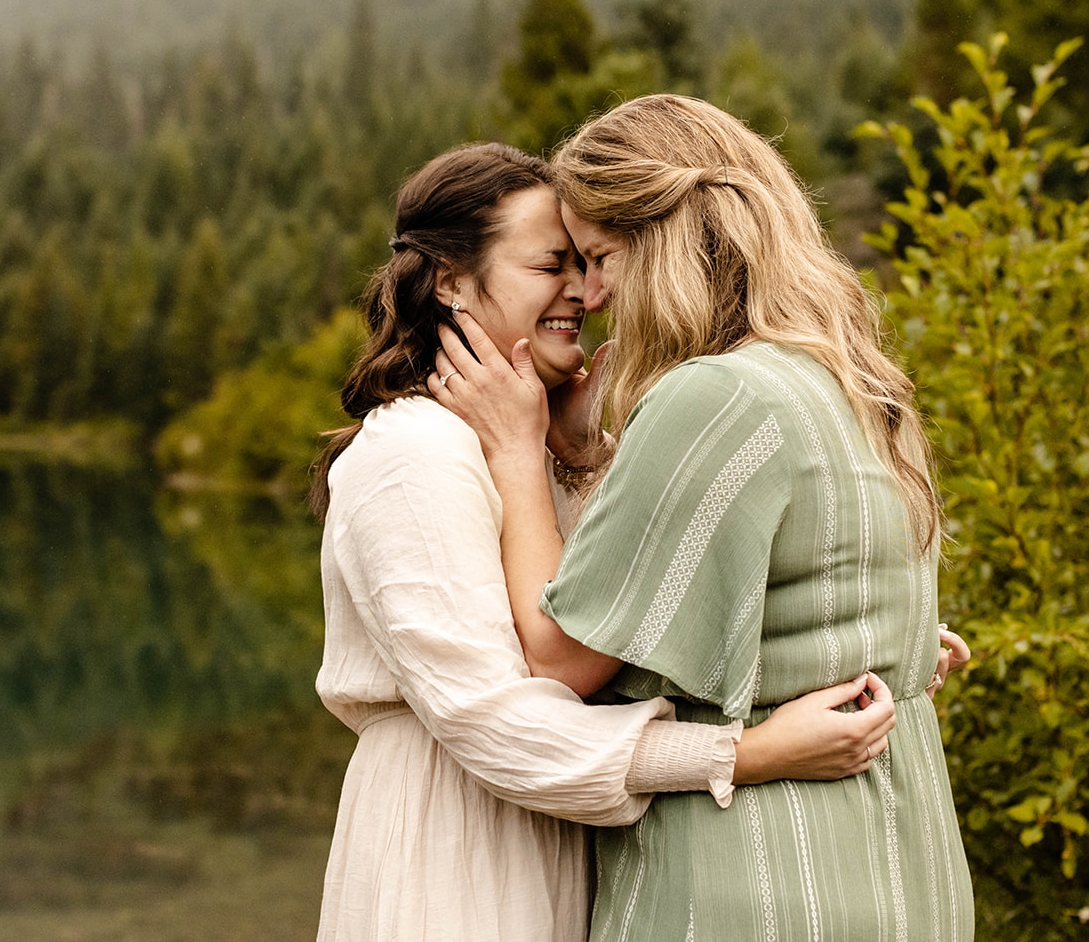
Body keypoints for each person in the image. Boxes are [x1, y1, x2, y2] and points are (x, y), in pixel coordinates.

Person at [311, 142, 916, 942]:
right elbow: (494, 720)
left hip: (564, 840)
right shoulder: (410, 452)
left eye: (587, 263)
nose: (584, 294)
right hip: (452, 853)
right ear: (452, 280)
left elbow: (635, 633)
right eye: (550, 265)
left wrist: (854, 628)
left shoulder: (536, 444)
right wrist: (747, 753)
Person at [430, 95, 976, 940]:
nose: (595, 293)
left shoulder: (715, 396)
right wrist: (588, 461)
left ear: (670, 238)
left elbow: (560, 658)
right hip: (908, 863)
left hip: (758, 887)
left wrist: (517, 449)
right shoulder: (853, 380)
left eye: (602, 256)